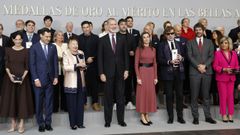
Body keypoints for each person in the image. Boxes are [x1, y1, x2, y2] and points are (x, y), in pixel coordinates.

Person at [0, 32, 34, 134]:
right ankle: (13, 124)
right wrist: (10, 76)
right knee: (12, 101)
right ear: (13, 40)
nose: (18, 41)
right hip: (10, 80)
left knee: (22, 101)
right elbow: (6, 64)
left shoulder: (26, 51)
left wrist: (23, 77)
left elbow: (27, 65)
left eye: (20, 39)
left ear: (22, 40)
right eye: (16, 39)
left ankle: (21, 124)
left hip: (23, 80)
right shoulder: (8, 50)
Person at [98, 18, 129, 128]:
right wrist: (101, 73)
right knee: (108, 98)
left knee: (120, 97)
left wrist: (126, 70)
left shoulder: (122, 38)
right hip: (107, 74)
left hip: (121, 73)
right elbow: (100, 58)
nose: (113, 26)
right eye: (111, 24)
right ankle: (108, 121)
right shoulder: (102, 40)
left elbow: (126, 56)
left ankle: (121, 120)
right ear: (107, 25)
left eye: (115, 24)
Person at [29, 28, 58, 132]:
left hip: (50, 80)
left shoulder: (53, 47)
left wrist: (56, 77)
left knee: (49, 103)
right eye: (46, 36)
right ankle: (40, 123)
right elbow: (32, 65)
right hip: (38, 81)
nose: (48, 38)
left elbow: (55, 63)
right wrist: (35, 78)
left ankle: (48, 123)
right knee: (39, 103)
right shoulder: (34, 47)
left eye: (49, 36)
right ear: (40, 36)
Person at [187, 23, 216, 125]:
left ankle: (208, 117)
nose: (198, 31)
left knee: (206, 96)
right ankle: (195, 117)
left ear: (203, 31)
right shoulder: (190, 42)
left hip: (207, 72)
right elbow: (189, 56)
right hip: (194, 72)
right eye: (196, 30)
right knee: (194, 96)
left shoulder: (209, 42)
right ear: (194, 31)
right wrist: (199, 66)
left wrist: (205, 66)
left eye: (200, 29)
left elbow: (212, 56)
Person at [158, 26, 186, 124]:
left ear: (175, 34)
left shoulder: (179, 44)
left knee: (179, 95)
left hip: (179, 72)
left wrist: (181, 58)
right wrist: (169, 61)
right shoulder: (161, 45)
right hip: (167, 73)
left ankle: (180, 116)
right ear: (165, 35)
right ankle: (170, 117)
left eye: (172, 33)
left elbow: (185, 57)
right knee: (169, 96)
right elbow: (159, 59)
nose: (170, 35)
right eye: (168, 34)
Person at [213, 36, 239, 123]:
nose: (223, 45)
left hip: (231, 78)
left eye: (225, 43)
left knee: (230, 97)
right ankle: (224, 114)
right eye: (222, 43)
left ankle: (230, 114)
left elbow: (237, 65)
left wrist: (236, 69)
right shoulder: (217, 53)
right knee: (223, 97)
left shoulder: (234, 53)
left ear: (229, 44)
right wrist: (224, 69)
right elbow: (215, 66)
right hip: (221, 78)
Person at [63, 37, 87, 130]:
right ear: (69, 45)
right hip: (71, 82)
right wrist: (77, 65)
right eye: (73, 44)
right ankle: (73, 124)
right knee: (71, 104)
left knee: (80, 104)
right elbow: (65, 67)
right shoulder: (66, 53)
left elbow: (83, 65)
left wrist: (84, 67)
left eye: (76, 44)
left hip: (81, 81)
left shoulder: (81, 53)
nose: (75, 46)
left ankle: (80, 123)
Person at [135, 32, 158, 126]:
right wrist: (138, 76)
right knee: (142, 94)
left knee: (149, 94)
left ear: (150, 38)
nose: (146, 39)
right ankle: (142, 116)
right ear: (142, 39)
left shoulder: (153, 49)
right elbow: (136, 64)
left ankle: (147, 114)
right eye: (144, 37)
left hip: (151, 72)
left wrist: (156, 76)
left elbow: (155, 63)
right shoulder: (139, 49)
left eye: (147, 37)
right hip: (142, 72)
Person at [78, 21, 101, 111]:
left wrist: (93, 58)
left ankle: (95, 103)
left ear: (90, 27)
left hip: (94, 65)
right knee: (83, 85)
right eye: (84, 27)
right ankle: (83, 102)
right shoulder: (79, 38)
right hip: (82, 66)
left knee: (95, 85)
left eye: (87, 27)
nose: (86, 29)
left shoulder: (96, 38)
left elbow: (99, 51)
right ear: (82, 28)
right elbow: (77, 51)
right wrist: (85, 59)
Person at [118, 18, 137, 110]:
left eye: (125, 24)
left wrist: (133, 52)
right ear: (119, 26)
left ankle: (128, 102)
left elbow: (135, 49)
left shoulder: (131, 37)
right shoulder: (115, 36)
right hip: (117, 64)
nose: (124, 25)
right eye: (122, 24)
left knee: (128, 84)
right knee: (118, 84)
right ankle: (117, 102)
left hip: (129, 63)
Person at [53, 30, 68, 112]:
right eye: (59, 35)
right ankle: (55, 107)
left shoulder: (66, 45)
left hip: (65, 70)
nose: (61, 36)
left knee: (64, 88)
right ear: (55, 37)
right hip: (55, 70)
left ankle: (64, 106)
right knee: (55, 89)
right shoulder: (52, 45)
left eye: (62, 35)